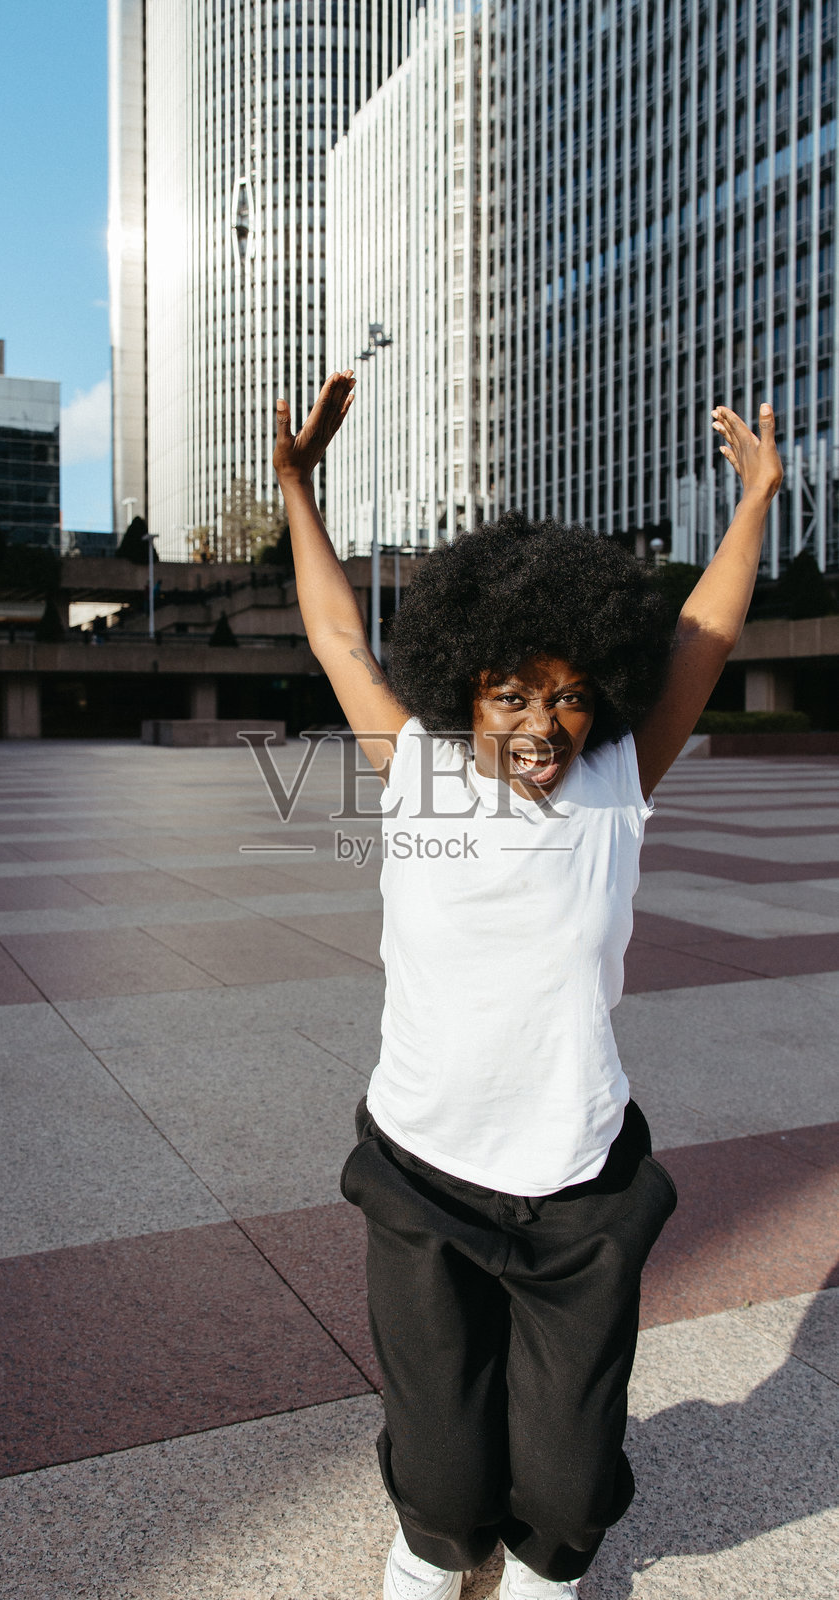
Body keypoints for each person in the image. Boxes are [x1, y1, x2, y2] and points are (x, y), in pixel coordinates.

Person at [273, 377, 783, 1600]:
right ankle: (429, 1552)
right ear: (465, 692)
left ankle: (546, 1572)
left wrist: (755, 499)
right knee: (443, 1493)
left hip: (576, 1186)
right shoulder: (418, 772)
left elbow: (701, 637)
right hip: (423, 1171)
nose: (544, 723)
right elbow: (340, 635)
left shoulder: (616, 774)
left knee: (562, 1497)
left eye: (567, 692)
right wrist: (297, 494)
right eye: (511, 694)